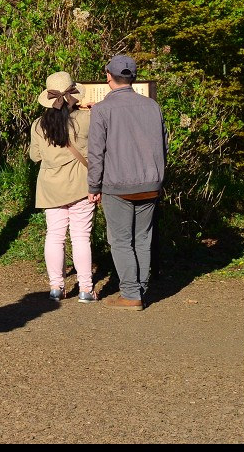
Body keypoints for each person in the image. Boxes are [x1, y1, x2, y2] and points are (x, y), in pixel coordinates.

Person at [87, 55, 167, 311]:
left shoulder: (102, 109)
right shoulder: (152, 106)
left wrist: (93, 186)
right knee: (143, 238)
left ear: (108, 76)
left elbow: (96, 152)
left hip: (117, 185)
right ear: (133, 78)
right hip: (150, 182)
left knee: (121, 240)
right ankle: (140, 290)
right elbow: (165, 145)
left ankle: (131, 294)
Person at [29, 71, 95, 303]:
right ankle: (86, 289)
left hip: (51, 188)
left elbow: (35, 156)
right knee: (81, 237)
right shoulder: (86, 119)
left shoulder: (38, 125)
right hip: (80, 186)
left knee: (55, 236)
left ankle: (56, 287)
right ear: (73, 95)